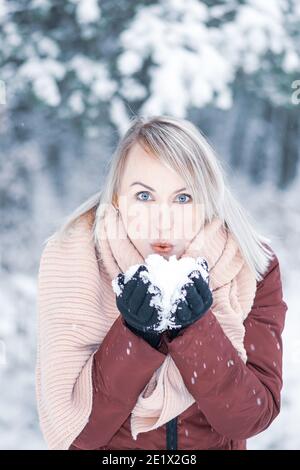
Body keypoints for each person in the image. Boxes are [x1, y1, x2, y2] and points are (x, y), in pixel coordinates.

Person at [36, 115, 288, 450]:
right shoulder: (76, 259)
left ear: (208, 203)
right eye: (144, 196)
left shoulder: (251, 264)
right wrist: (135, 334)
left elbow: (250, 417)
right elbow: (77, 431)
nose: (163, 220)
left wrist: (196, 330)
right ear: (116, 199)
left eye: (183, 198)